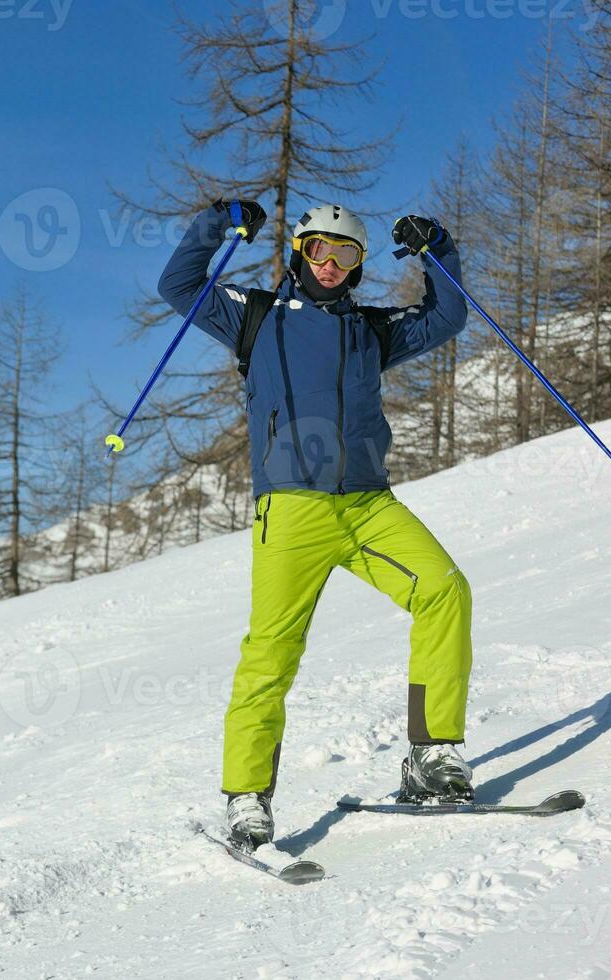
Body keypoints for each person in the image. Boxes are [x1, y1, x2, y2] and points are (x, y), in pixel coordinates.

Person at [157, 199, 475, 849]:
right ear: (299, 253)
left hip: (367, 504)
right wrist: (219, 221)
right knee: (271, 652)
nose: (330, 264)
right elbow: (179, 285)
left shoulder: (372, 330)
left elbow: (448, 315)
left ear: (359, 265)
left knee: (444, 591)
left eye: (346, 254)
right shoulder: (253, 316)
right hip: (292, 510)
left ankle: (432, 755)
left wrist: (436, 248)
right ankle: (247, 795)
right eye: (318, 251)